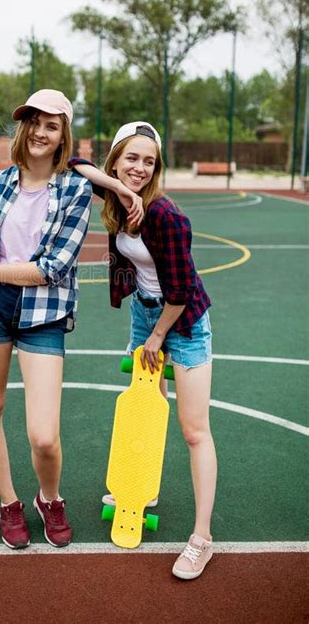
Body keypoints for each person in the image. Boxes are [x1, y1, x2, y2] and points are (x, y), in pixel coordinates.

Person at [0, 90, 143, 550]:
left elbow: (51, 269)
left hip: (43, 312)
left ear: (64, 135)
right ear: (23, 128)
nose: (41, 132)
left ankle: (49, 498)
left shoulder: (76, 188)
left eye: (52, 125)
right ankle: (9, 503)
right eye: (34, 123)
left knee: (44, 436)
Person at [69, 121, 216, 579]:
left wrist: (157, 338)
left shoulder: (167, 216)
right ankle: (143, 489)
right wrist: (118, 187)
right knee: (148, 409)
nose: (140, 168)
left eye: (148, 161)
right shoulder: (117, 197)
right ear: (115, 160)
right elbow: (73, 164)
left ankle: (202, 539)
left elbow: (181, 289)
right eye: (131, 158)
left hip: (183, 321)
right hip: (145, 313)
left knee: (194, 430)